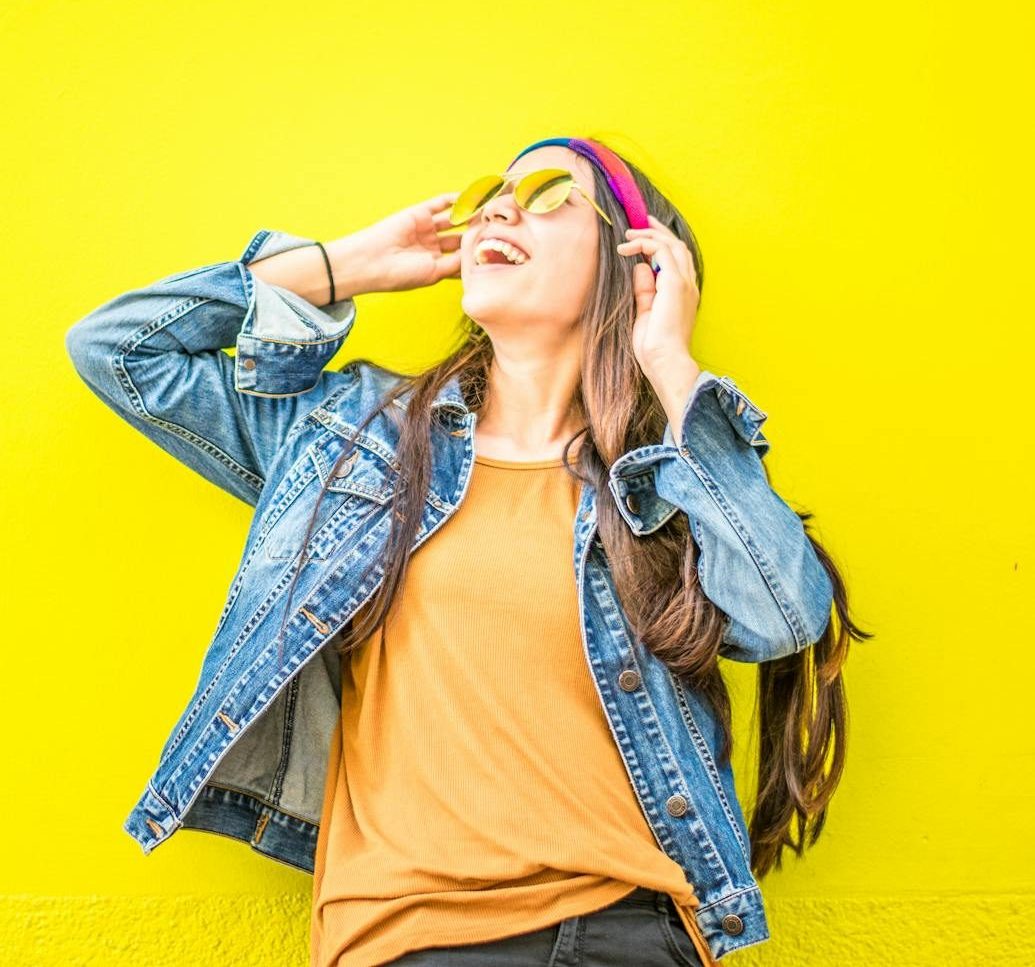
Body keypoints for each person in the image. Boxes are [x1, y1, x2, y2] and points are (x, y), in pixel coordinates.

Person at [65, 135, 869, 966]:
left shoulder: (665, 481)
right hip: (409, 937)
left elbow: (784, 616)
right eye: (493, 192)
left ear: (637, 265)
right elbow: (118, 349)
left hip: (637, 928)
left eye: (551, 192)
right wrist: (346, 265)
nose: (498, 206)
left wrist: (669, 361)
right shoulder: (351, 437)